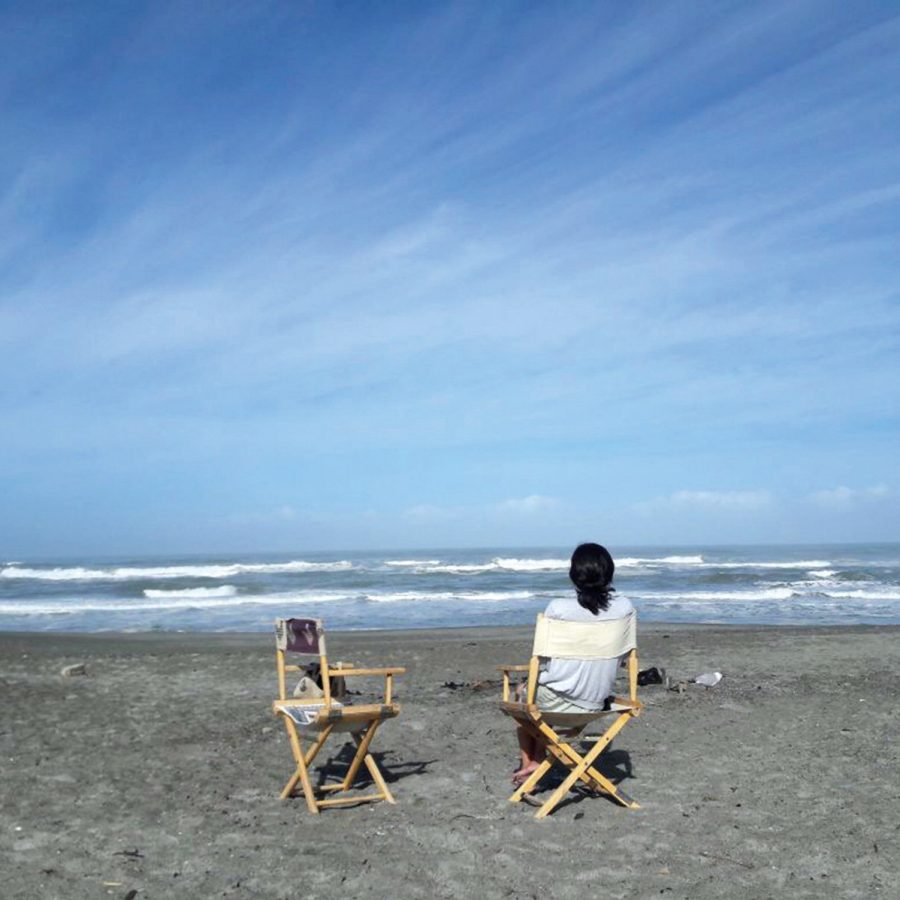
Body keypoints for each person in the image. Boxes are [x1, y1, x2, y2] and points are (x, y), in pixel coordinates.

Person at [512, 542, 634, 786]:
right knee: (530, 701)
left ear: (573, 575)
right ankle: (536, 761)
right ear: (609, 572)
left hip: (555, 701)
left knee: (522, 700)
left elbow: (543, 662)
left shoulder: (558, 608)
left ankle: (531, 763)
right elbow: (625, 659)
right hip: (596, 703)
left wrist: (526, 683)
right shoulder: (624, 608)